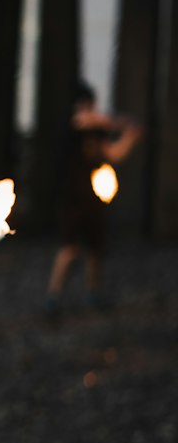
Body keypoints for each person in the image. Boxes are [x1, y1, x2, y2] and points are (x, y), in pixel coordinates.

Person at [45, 83, 143, 315]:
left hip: (93, 200)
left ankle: (94, 293)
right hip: (71, 199)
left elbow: (112, 154)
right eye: (86, 105)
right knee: (69, 249)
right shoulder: (73, 127)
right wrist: (122, 122)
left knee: (96, 249)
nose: (90, 109)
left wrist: (130, 138)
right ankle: (53, 296)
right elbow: (89, 121)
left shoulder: (97, 131)